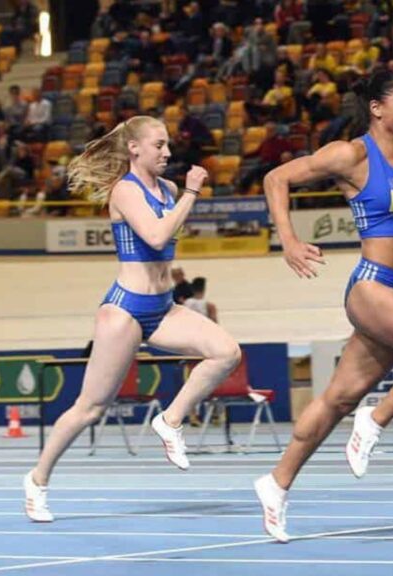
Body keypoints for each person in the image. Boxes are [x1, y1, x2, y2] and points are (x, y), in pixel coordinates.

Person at [255, 71, 393, 543]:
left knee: (337, 398)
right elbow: (276, 177)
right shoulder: (351, 154)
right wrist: (289, 240)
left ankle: (276, 483)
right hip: (374, 287)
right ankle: (376, 418)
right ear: (377, 108)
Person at [22, 116, 242, 523]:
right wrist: (192, 194)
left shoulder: (169, 189)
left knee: (226, 352)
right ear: (134, 149)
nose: (168, 152)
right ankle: (37, 480)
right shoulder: (125, 190)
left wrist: (182, 195)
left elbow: (164, 244)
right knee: (89, 408)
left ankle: (170, 419)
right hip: (125, 311)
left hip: (163, 307)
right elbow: (157, 237)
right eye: (159, 145)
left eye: (168, 145)